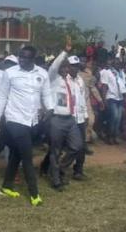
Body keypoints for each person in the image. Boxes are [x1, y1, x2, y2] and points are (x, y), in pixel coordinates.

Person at [0, 45, 51, 206]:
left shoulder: (42, 73)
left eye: (27, 57)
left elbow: (46, 94)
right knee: (27, 156)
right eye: (21, 57)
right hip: (14, 120)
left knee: (17, 154)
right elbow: (2, 96)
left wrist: (50, 109)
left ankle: (5, 187)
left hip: (33, 121)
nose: (23, 60)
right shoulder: (10, 73)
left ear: (33, 59)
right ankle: (34, 194)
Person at [45, 39, 86, 190]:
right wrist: (65, 51)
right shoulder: (53, 78)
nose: (64, 69)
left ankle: (58, 169)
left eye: (66, 67)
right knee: (55, 151)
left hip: (70, 119)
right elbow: (55, 65)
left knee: (77, 146)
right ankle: (56, 180)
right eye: (62, 66)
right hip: (57, 119)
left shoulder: (70, 81)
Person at [99, 59, 126, 145]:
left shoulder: (122, 74)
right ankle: (109, 136)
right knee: (113, 117)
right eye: (116, 63)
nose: (117, 64)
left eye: (119, 63)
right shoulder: (108, 72)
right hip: (111, 97)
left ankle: (115, 136)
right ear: (112, 64)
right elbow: (104, 86)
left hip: (120, 98)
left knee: (118, 119)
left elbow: (123, 86)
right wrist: (104, 100)